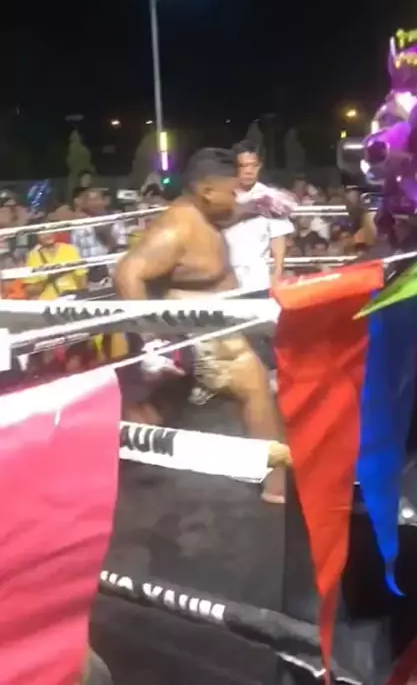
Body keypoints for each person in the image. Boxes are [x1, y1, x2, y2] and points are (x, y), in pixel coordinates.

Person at [115, 147, 286, 503]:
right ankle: (277, 487)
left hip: (205, 323)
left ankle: (98, 454)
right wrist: (153, 339)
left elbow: (227, 213)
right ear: (206, 190)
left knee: (161, 407)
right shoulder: (176, 228)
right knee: (254, 389)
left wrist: (258, 206)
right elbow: (128, 273)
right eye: (231, 191)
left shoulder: (204, 212)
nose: (236, 198)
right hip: (200, 328)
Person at [226, 141, 294, 290]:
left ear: (260, 166)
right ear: (235, 167)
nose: (249, 171)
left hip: (256, 276)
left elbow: (278, 238)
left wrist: (278, 273)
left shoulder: (271, 198)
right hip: (225, 274)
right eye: (243, 166)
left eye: (253, 166)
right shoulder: (222, 195)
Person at [24, 225, 87, 300]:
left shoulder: (70, 249)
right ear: (36, 237)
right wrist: (48, 278)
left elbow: (81, 278)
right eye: (42, 234)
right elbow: (30, 290)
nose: (47, 235)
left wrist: (83, 298)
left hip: (72, 298)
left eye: (49, 231)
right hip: (49, 302)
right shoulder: (33, 256)